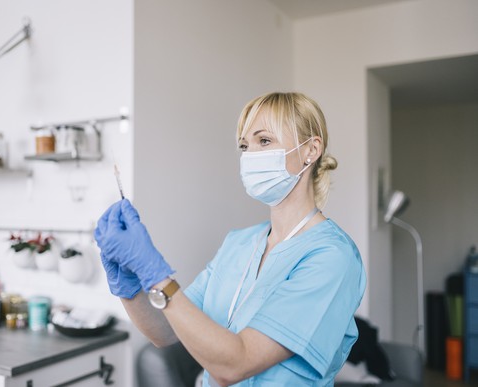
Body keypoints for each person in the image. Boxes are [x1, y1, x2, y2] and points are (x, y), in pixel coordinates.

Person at [94, 92, 366, 386]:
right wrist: (130, 285)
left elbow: (237, 363)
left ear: (311, 150)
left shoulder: (331, 256)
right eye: (244, 146)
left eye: (264, 141)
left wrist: (156, 275)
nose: (250, 156)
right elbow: (165, 332)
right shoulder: (240, 243)